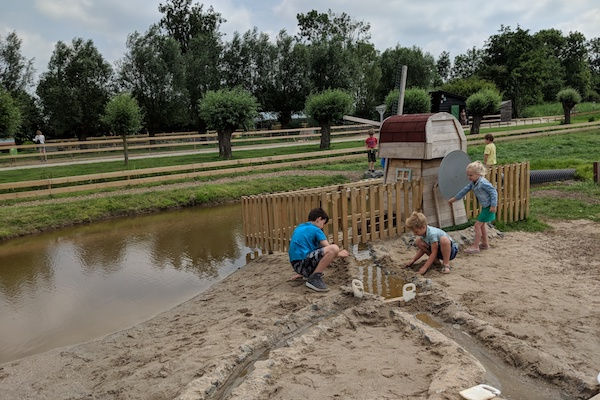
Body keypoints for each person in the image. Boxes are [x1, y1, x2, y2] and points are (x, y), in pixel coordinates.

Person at [288, 207, 349, 292]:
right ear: (319, 219)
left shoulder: (300, 227)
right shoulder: (316, 229)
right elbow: (329, 248)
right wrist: (340, 253)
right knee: (333, 248)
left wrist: (301, 272)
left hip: (296, 265)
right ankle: (314, 279)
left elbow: (299, 248)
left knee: (320, 249)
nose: (322, 227)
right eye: (323, 223)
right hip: (303, 264)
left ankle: (308, 274)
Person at [448, 161, 498, 254]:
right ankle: (485, 244)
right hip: (485, 207)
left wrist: (493, 205)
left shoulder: (483, 183)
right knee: (482, 225)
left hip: (489, 207)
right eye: (468, 175)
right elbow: (464, 191)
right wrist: (454, 199)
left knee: (477, 225)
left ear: (478, 174)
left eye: (471, 175)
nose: (469, 177)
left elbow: (493, 192)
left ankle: (475, 246)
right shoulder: (473, 183)